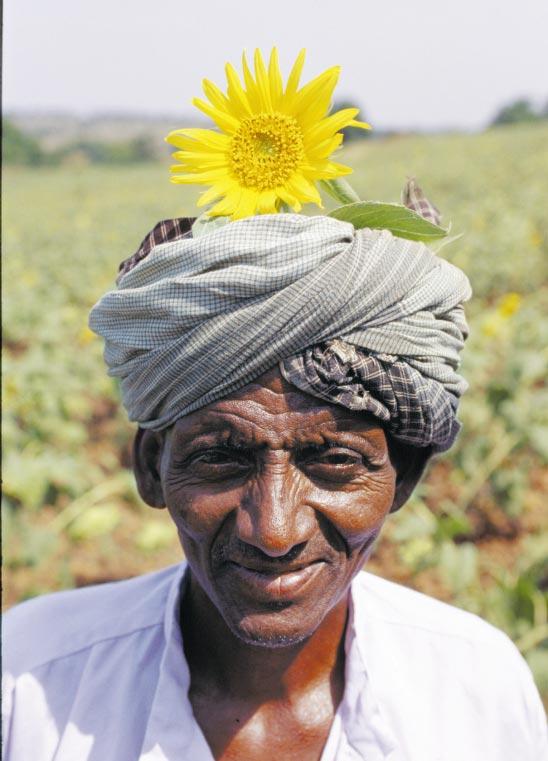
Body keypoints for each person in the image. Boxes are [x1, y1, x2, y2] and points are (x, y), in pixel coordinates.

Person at [2, 213, 546, 761]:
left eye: (334, 460)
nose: (274, 531)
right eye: (220, 458)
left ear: (403, 476)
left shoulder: (477, 692)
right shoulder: (30, 680)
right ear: (150, 468)